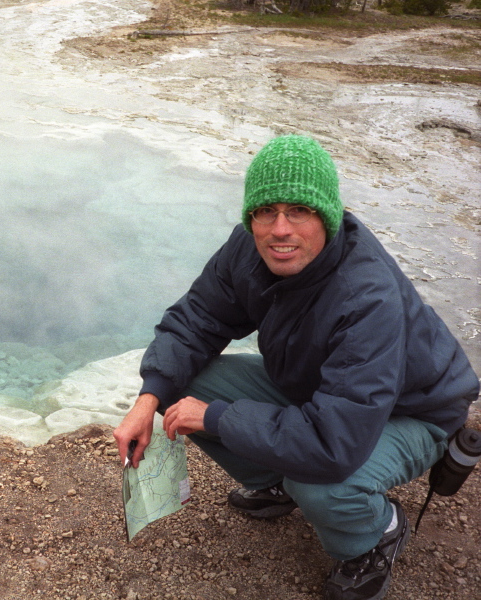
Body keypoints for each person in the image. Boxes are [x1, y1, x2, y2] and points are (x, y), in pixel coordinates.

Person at [113, 135, 479, 600]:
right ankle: (278, 482)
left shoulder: (366, 296)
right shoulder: (250, 247)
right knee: (188, 385)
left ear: (326, 216)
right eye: (266, 211)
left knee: (323, 482)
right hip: (324, 391)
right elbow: (198, 319)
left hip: (413, 411)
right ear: (250, 217)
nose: (279, 229)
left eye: (299, 211)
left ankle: (377, 534)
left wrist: (216, 418)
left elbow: (335, 444)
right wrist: (149, 399)